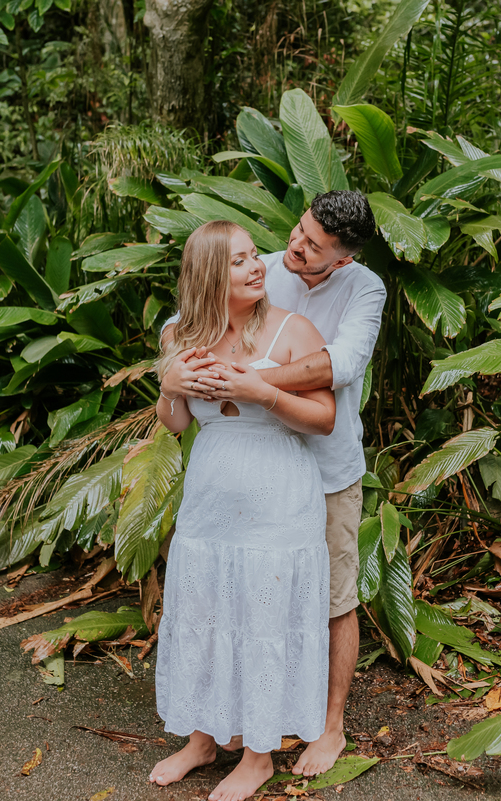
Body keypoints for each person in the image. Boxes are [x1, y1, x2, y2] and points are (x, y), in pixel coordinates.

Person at [161, 190, 383, 777]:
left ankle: (327, 727)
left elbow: (340, 365)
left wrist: (253, 384)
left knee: (330, 600)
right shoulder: (260, 266)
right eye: (299, 231)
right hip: (220, 488)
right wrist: (173, 376)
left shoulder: (362, 290)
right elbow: (191, 315)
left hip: (320, 470)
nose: (293, 248)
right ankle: (214, 730)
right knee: (218, 601)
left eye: (313, 246)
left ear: (341, 258)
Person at [150, 220, 337, 801]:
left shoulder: (292, 329)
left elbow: (325, 419)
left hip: (278, 497)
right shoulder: (180, 335)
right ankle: (202, 740)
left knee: (264, 621)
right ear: (209, 274)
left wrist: (263, 392)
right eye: (239, 260)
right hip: (211, 498)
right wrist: (170, 386)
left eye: (255, 255)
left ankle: (258, 757)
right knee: (205, 610)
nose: (258, 266)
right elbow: (177, 424)